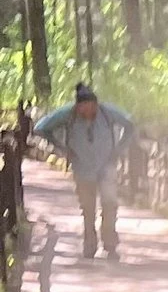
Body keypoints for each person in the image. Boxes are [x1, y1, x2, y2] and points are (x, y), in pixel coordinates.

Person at [34, 80, 133, 259]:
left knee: (109, 204)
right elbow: (41, 128)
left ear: (95, 104)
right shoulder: (68, 115)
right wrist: (62, 148)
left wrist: (118, 149)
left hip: (106, 166)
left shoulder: (107, 113)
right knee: (88, 209)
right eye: (82, 107)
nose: (86, 111)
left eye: (89, 106)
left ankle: (110, 243)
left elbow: (130, 124)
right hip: (82, 168)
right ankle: (89, 244)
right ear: (78, 106)